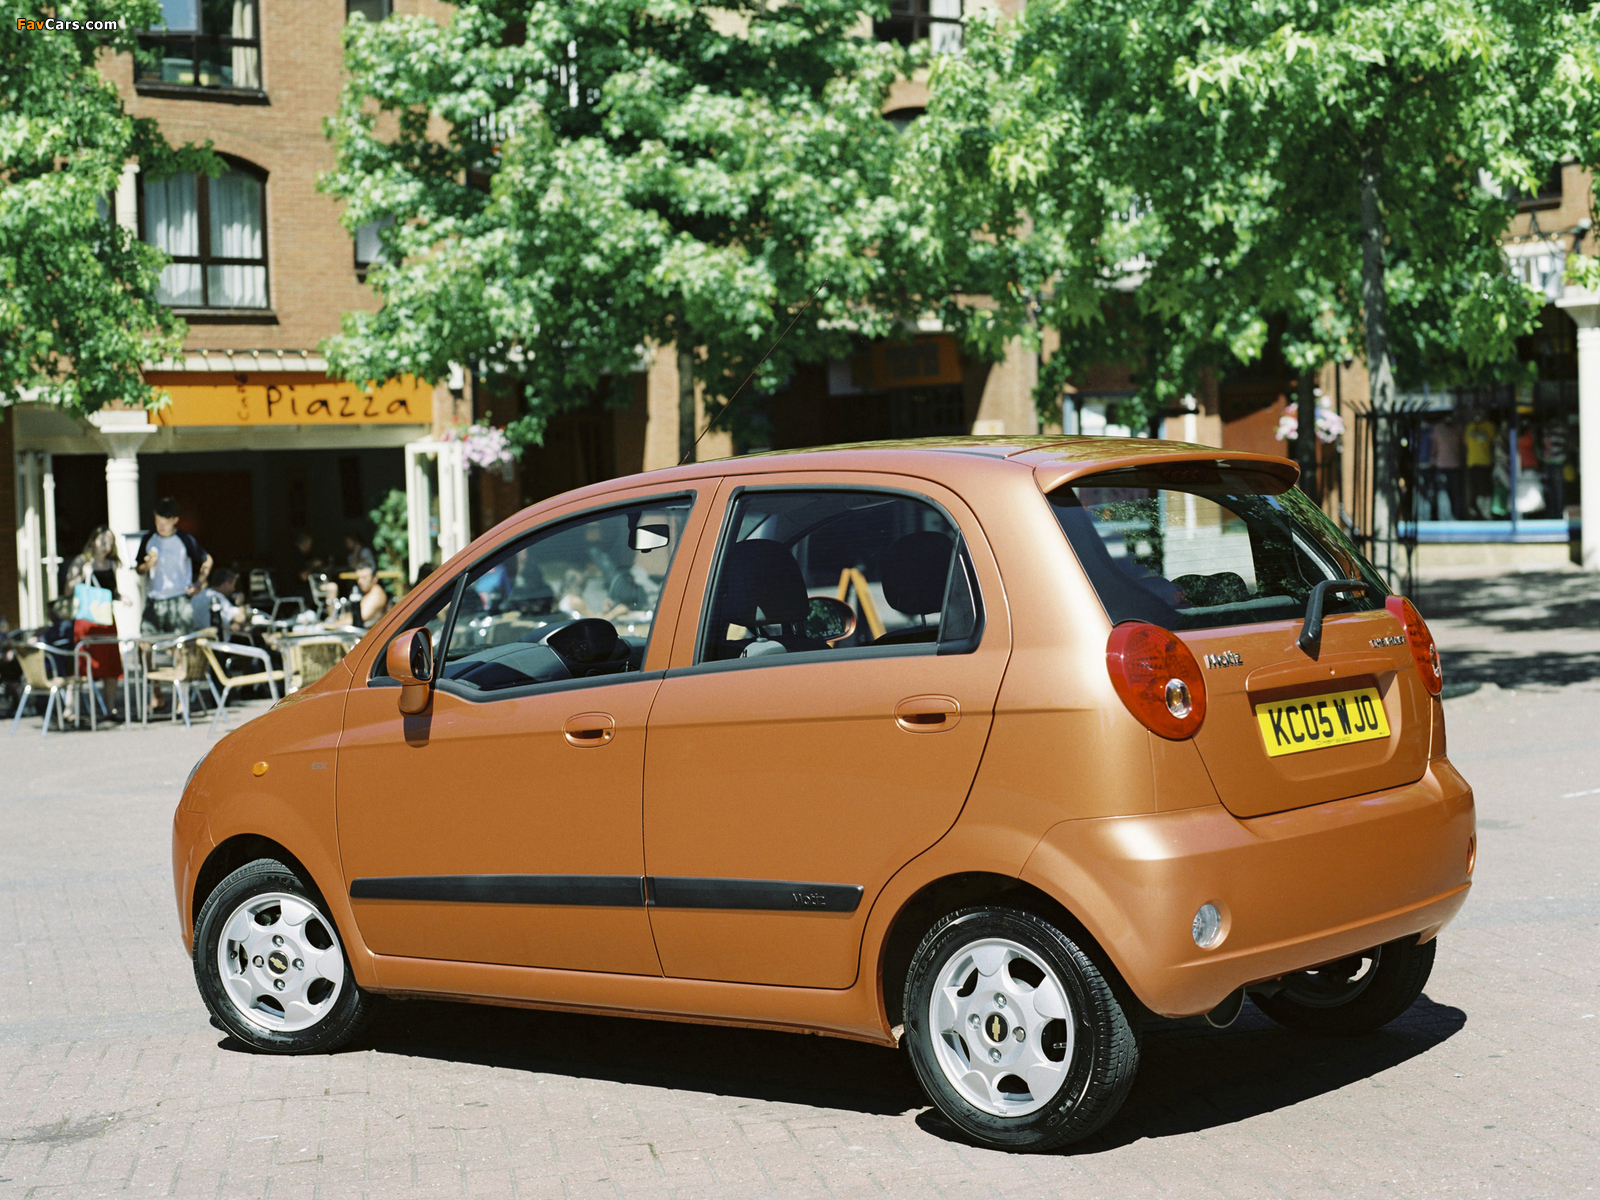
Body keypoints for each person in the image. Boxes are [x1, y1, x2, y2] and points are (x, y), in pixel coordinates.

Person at [135, 499, 211, 712]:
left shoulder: (184, 539)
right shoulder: (150, 538)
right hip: (155, 599)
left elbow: (207, 559)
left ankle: (182, 698)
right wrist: (146, 565)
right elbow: (138, 569)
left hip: (179, 598)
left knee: (181, 649)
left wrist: (199, 582)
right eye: (158, 521)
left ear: (175, 520)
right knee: (145, 646)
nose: (161, 526)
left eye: (165, 522)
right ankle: (156, 694)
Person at [66, 526, 124, 718]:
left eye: (110, 542)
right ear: (93, 541)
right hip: (86, 621)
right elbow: (67, 590)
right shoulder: (82, 562)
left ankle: (110, 708)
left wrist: (121, 598)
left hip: (106, 620)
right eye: (102, 541)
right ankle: (71, 708)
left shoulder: (112, 564)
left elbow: (111, 591)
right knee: (82, 665)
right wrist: (82, 574)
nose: (106, 546)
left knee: (111, 665)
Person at [191, 567, 251, 637]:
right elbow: (240, 619)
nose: (233, 589)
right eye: (233, 585)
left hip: (197, 641)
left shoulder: (197, 597)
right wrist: (240, 603)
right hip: (217, 644)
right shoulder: (217, 598)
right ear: (226, 584)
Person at [342, 563, 390, 629]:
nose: (360, 581)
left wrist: (331, 625)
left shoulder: (376, 594)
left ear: (375, 578)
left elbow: (359, 618)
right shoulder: (367, 593)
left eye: (364, 578)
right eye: (358, 578)